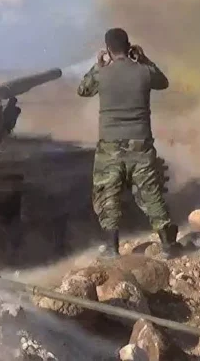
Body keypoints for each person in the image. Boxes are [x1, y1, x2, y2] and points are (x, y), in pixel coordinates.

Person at [77, 27, 181, 259]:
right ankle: (168, 246)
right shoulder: (144, 71)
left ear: (108, 49)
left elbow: (83, 90)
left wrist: (98, 65)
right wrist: (143, 59)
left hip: (110, 147)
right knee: (150, 193)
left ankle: (112, 249)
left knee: (108, 195)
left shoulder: (102, 74)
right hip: (140, 144)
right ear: (129, 46)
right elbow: (163, 82)